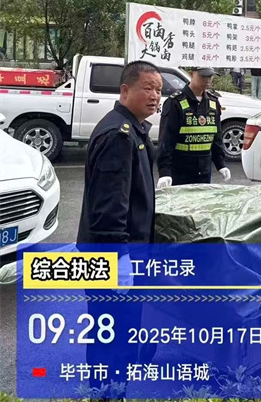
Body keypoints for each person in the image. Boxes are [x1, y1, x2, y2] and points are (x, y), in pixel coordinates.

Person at [77, 60, 162, 396]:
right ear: (125, 90)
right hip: (113, 257)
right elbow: (110, 207)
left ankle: (110, 389)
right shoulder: (119, 136)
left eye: (158, 90)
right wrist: (120, 258)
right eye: (148, 88)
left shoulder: (132, 129)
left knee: (116, 333)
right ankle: (108, 393)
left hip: (123, 253)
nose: (155, 96)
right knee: (113, 336)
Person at [156, 67, 230, 187]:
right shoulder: (175, 102)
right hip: (180, 169)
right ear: (191, 74)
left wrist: (221, 164)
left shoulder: (213, 102)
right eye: (203, 76)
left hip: (204, 170)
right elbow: (166, 139)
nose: (207, 80)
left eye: (210, 76)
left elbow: (216, 137)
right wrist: (164, 172)